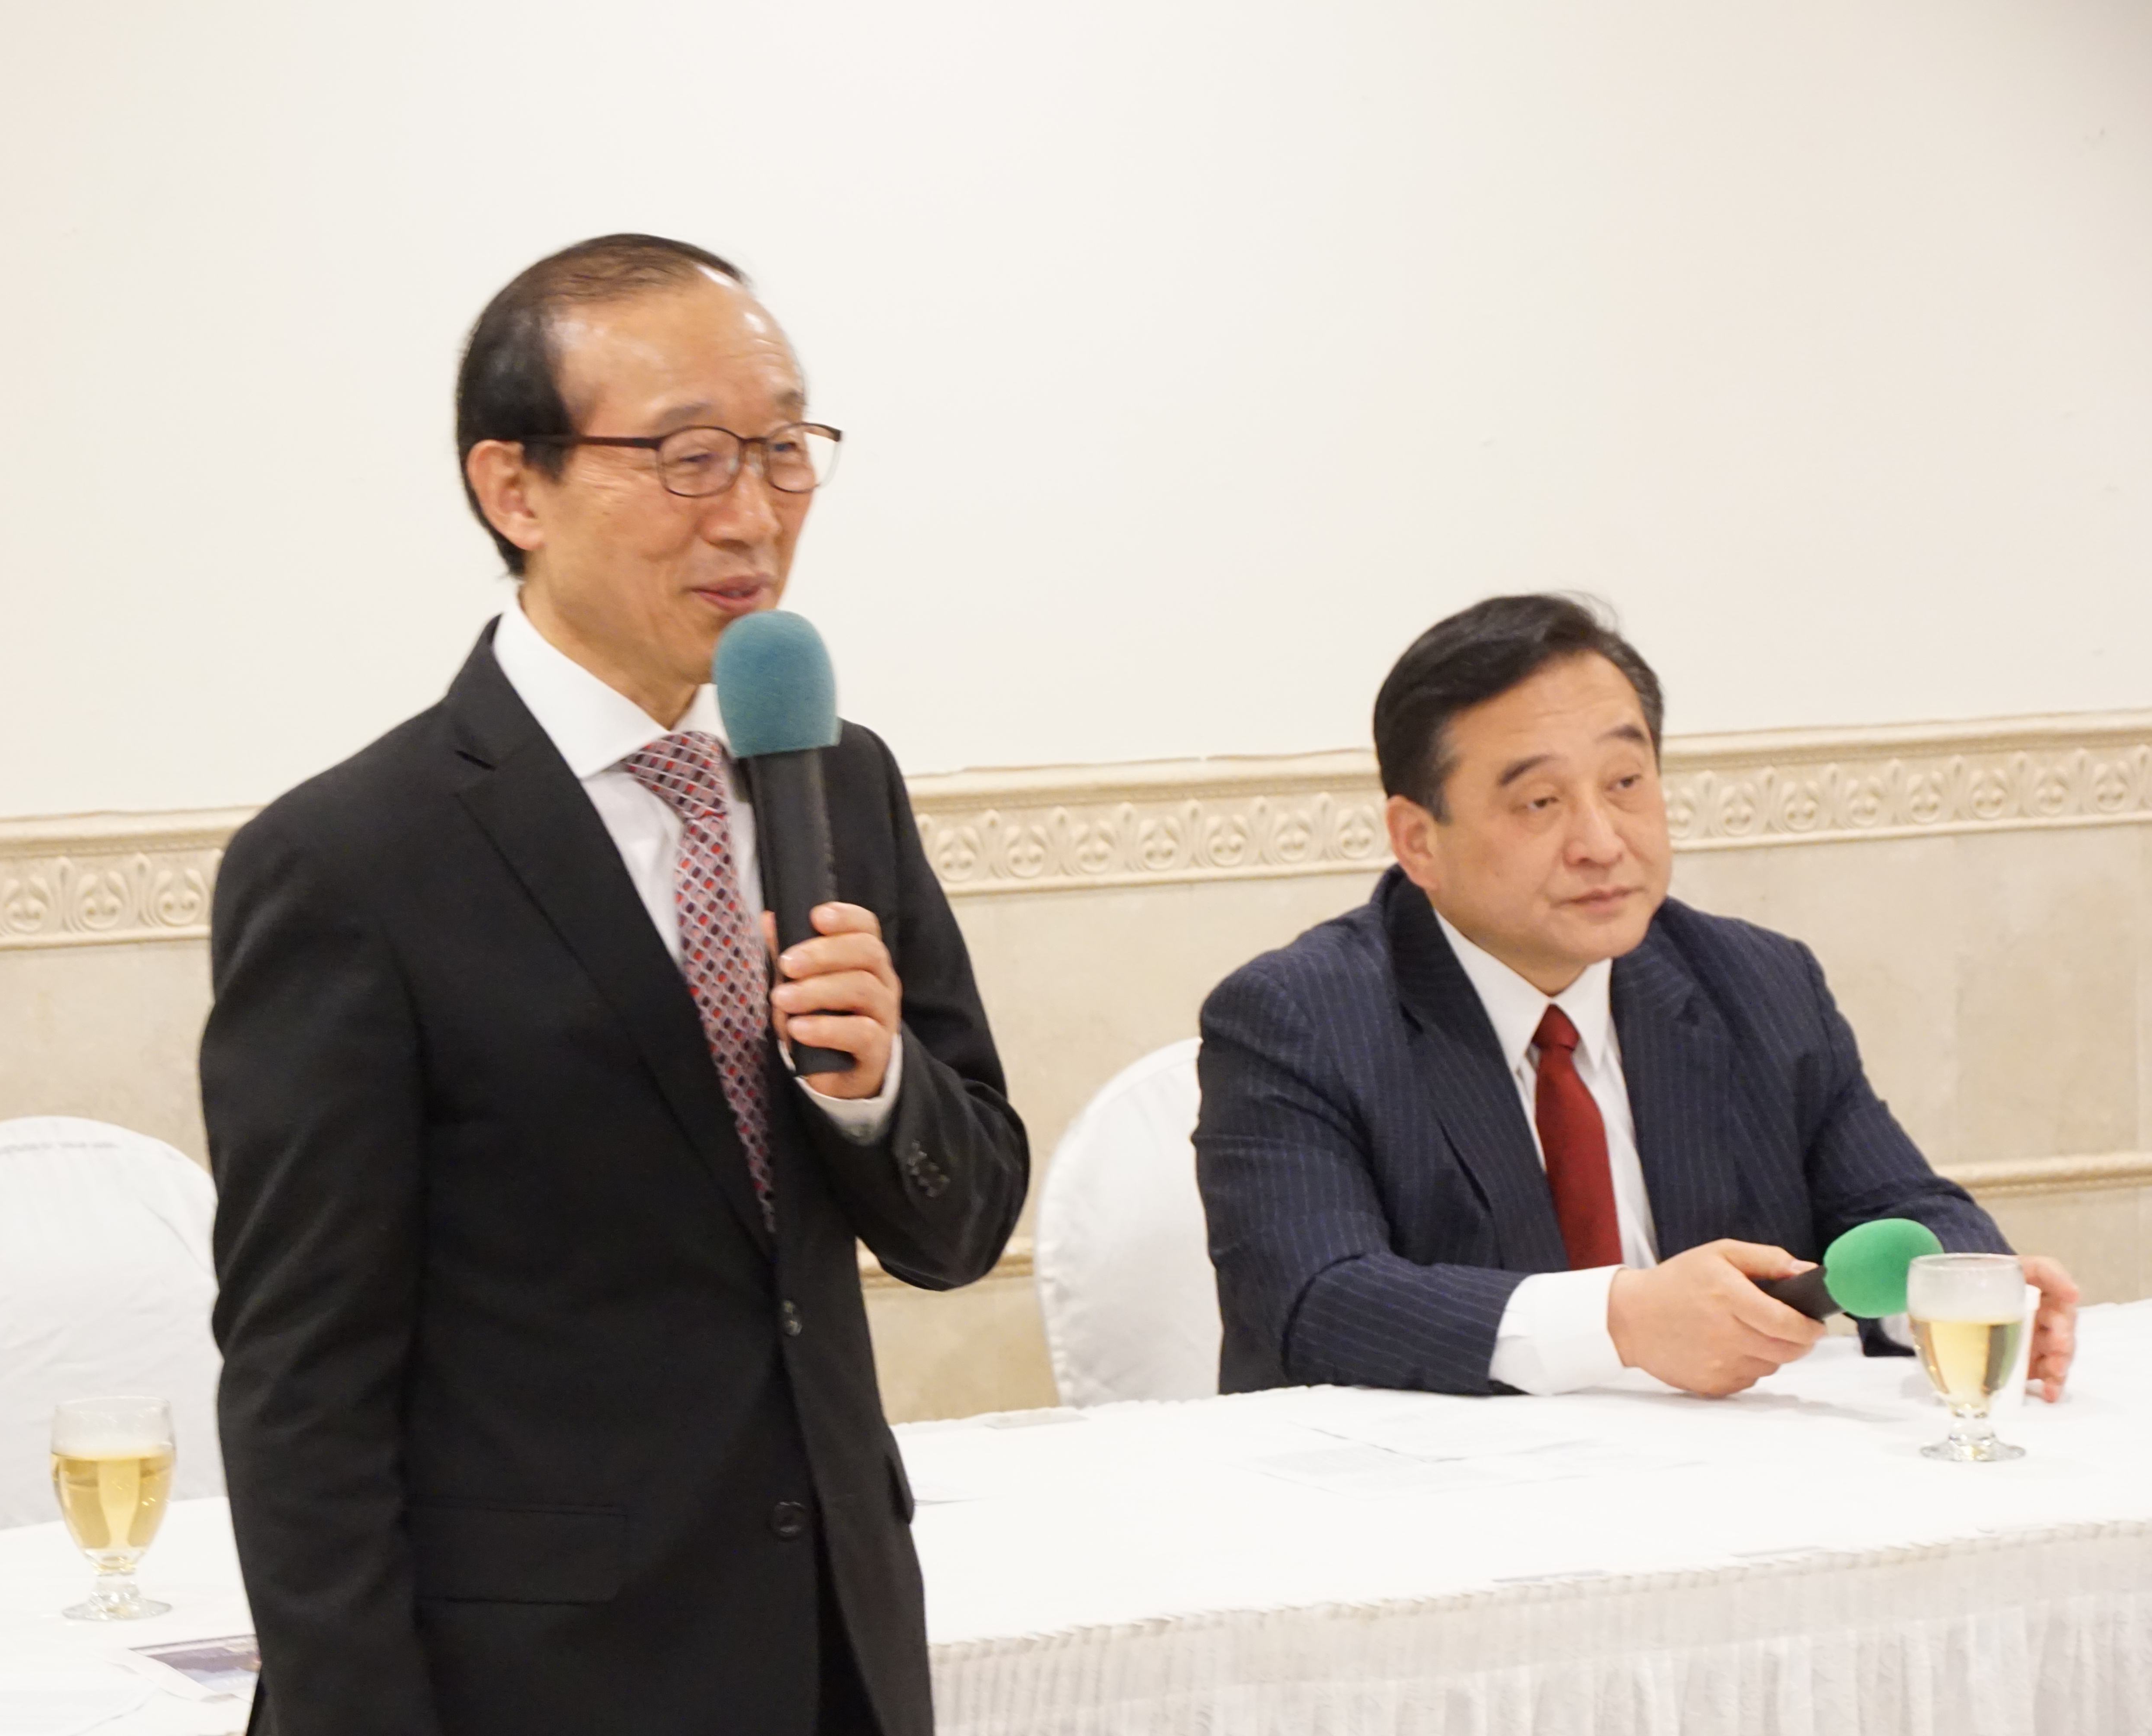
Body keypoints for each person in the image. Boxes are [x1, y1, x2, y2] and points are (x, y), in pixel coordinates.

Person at [201, 235, 1029, 1736]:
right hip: (537, 1683)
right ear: (513, 489)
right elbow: (302, 1386)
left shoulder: (837, 780)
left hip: (836, 1650)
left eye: (784, 451)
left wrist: (879, 1090)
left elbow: (960, 1229)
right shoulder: (349, 864)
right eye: (689, 458)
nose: (754, 513)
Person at [1194, 594, 2079, 1400]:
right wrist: (1621, 1320)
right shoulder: (1297, 1018)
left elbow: (1903, 1210)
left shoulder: (1758, 982)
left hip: (1728, 1482)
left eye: (1626, 783)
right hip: (1436, 1497)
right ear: (1418, 840)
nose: (1601, 841)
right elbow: (1316, 1299)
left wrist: (1957, 1290)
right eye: (1540, 801)